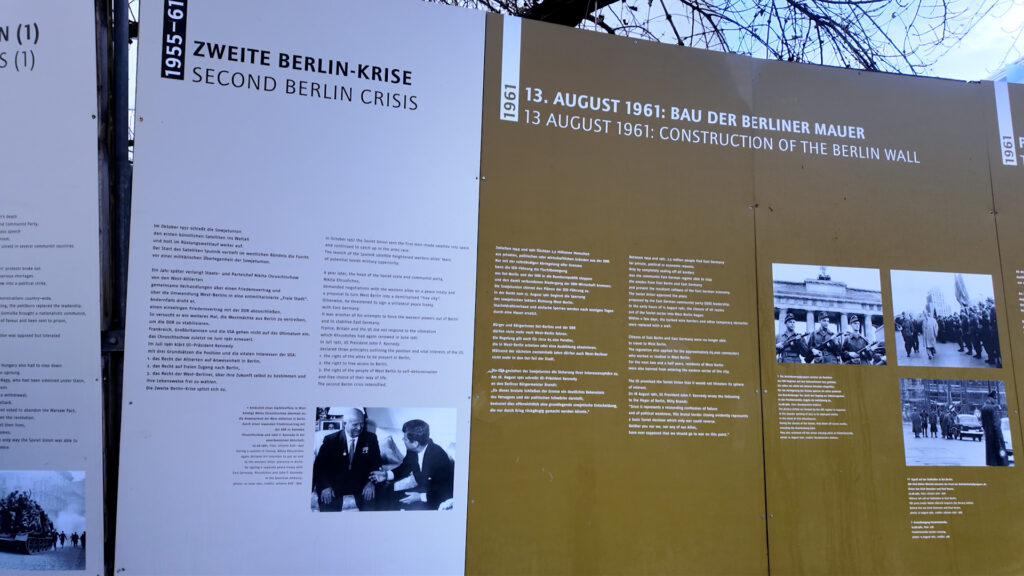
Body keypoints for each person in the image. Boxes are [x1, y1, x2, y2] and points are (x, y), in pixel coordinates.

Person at [371, 419, 453, 510]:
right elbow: (405, 467)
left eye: (405, 439)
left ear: (415, 443)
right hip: (422, 490)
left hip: (437, 498)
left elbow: (444, 491)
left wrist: (419, 497)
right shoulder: (413, 451)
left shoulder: (438, 457)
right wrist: (386, 475)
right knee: (388, 493)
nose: (403, 440)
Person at [312, 408, 383, 511]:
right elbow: (319, 467)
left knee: (371, 504)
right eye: (355, 424)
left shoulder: (371, 438)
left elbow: (376, 463)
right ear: (345, 423)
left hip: (361, 483)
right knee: (328, 505)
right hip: (334, 483)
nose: (359, 428)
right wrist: (326, 486)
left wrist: (370, 482)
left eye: (362, 424)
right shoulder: (331, 440)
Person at [980, 391, 1009, 466]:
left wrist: (986, 430)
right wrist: (999, 436)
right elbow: (996, 423)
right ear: (993, 398)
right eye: (995, 398)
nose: (996, 400)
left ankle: (992, 463)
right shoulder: (994, 407)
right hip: (995, 434)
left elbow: (983, 422)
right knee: (1000, 453)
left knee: (991, 453)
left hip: (988, 434)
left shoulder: (984, 407)